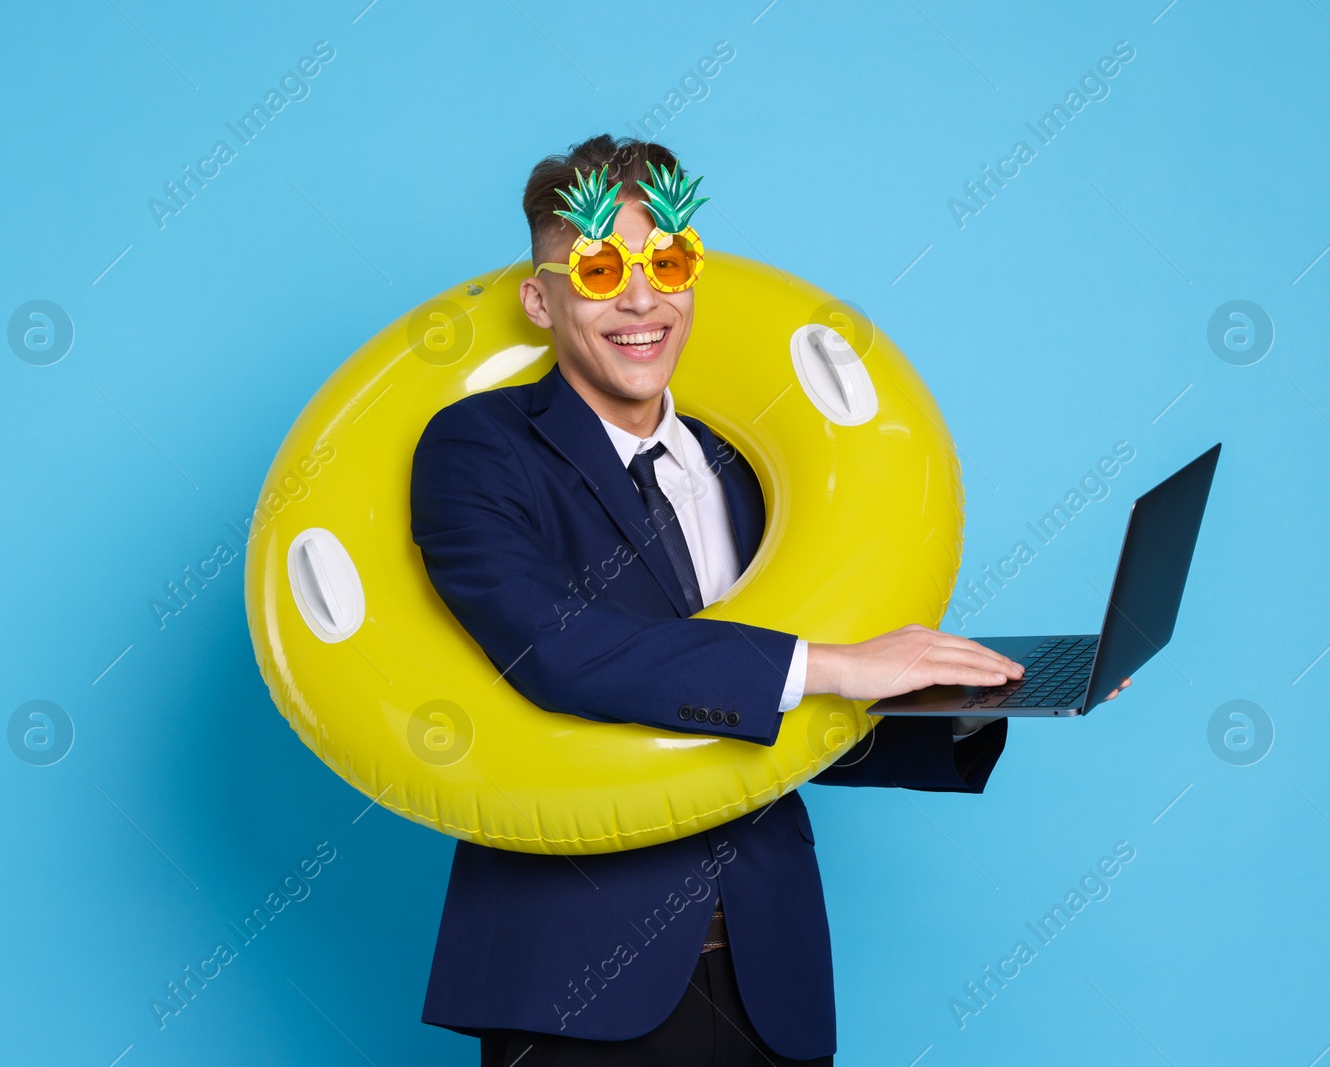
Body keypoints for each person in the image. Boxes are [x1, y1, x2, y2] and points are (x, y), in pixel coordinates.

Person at [410, 134, 1131, 1066]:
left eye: (666, 263)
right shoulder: (477, 448)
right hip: (574, 987)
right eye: (597, 269)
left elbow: (770, 709)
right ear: (539, 300)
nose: (641, 299)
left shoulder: (745, 472)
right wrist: (834, 662)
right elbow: (558, 652)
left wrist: (969, 700)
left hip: (768, 979)